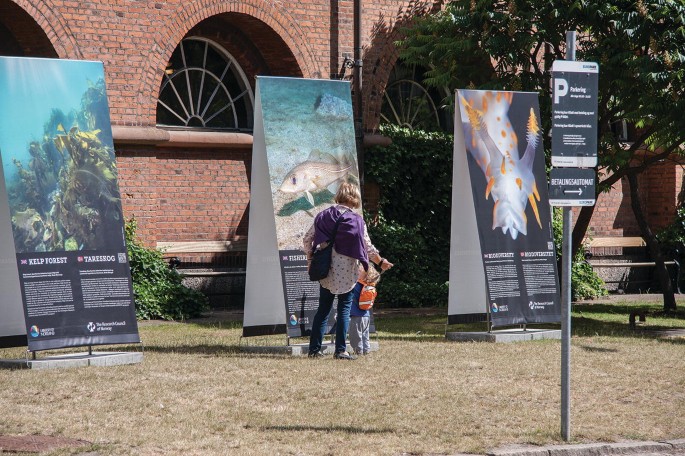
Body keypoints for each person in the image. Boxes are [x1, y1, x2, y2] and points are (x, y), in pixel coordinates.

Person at [303, 182, 393, 360]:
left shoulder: (323, 215)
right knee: (344, 309)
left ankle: (314, 350)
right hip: (347, 270)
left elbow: (308, 239)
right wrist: (381, 262)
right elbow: (367, 247)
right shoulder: (357, 220)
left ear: (339, 195)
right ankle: (340, 350)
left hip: (325, 267)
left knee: (323, 309)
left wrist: (310, 259)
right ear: (355, 198)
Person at [349, 264, 381, 356]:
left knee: (356, 336)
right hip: (366, 315)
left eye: (358, 271)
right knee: (364, 335)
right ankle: (366, 350)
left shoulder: (356, 285)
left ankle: (358, 351)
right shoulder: (369, 286)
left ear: (365, 275)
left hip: (356, 315)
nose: (356, 272)